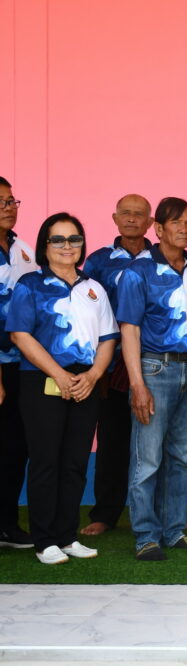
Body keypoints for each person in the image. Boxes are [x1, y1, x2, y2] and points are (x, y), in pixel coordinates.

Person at [6, 213, 118, 564]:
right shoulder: (30, 285)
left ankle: (67, 536)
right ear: (45, 245)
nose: (67, 246)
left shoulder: (93, 288)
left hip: (85, 383)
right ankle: (45, 541)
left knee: (75, 462)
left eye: (74, 239)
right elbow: (20, 335)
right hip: (42, 381)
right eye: (58, 239)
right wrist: (59, 374)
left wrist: (94, 375)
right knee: (46, 462)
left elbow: (108, 338)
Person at [117, 197, 187, 561]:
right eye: (176, 222)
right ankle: (146, 535)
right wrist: (137, 384)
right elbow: (129, 330)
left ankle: (174, 531)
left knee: (179, 457)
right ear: (158, 228)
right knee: (147, 460)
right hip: (154, 370)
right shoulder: (138, 272)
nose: (184, 229)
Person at [79, 194, 153, 537]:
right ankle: (105, 513)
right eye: (126, 213)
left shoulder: (161, 259)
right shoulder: (97, 262)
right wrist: (99, 365)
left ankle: (160, 513)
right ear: (115, 218)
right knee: (112, 441)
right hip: (110, 365)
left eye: (139, 214)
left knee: (155, 442)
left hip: (154, 362)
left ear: (151, 222)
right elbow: (88, 313)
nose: (132, 219)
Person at [0, 176, 37, 551]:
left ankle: (7, 524)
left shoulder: (24, 250)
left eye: (11, 201)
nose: (9, 207)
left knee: (15, 446)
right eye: (1, 202)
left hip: (22, 366)